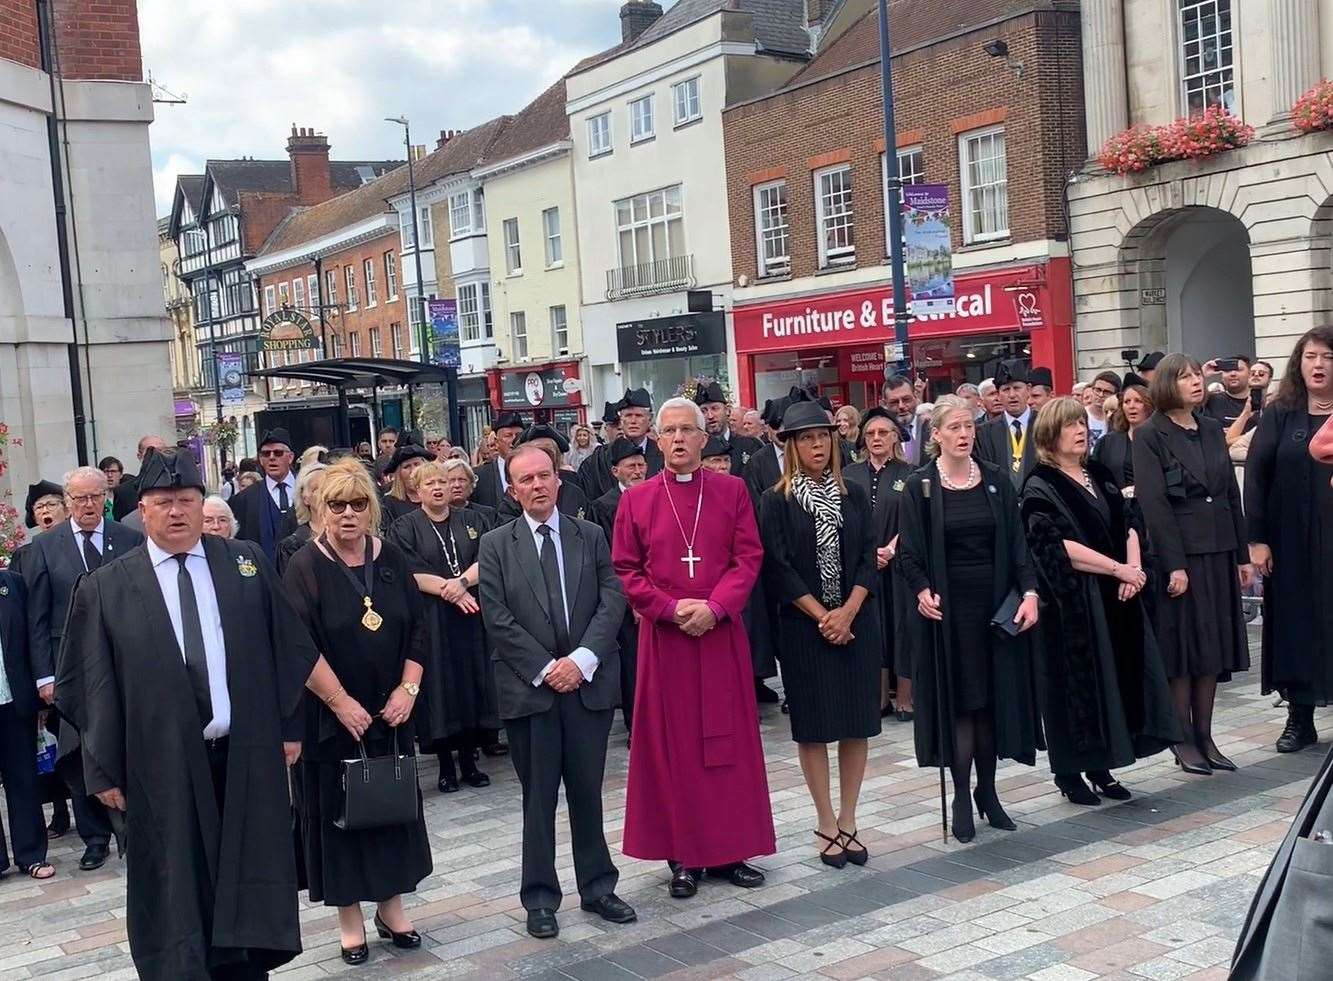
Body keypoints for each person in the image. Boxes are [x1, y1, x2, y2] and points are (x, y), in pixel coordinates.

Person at [56, 448, 318, 980]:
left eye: (186, 501)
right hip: (161, 768)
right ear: (140, 511)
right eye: (162, 502)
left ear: (202, 506)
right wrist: (102, 770)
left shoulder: (244, 563)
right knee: (178, 889)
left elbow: (288, 651)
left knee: (247, 882)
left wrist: (289, 729)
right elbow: (85, 683)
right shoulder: (107, 587)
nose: (176, 512)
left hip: (244, 756)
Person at [613, 397, 775, 899]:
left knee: (726, 744)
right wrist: (670, 609)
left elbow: (747, 557)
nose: (679, 439)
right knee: (673, 749)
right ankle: (681, 856)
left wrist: (716, 607)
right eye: (670, 431)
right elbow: (625, 569)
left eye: (688, 430)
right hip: (665, 643)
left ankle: (730, 849)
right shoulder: (636, 500)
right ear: (658, 441)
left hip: (719, 636)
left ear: (705, 439)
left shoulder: (731, 491)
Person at [477, 443, 634, 939]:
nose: (538, 486)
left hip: (586, 685)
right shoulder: (496, 544)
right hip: (532, 691)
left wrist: (582, 660)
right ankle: (540, 898)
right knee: (538, 799)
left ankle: (598, 887)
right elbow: (497, 618)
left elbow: (612, 598)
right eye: (526, 480)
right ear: (512, 490)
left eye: (544, 476)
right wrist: (547, 668)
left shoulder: (589, 534)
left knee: (588, 792)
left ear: (558, 480)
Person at [282, 459, 432, 965]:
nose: (348, 514)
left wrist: (407, 690)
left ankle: (391, 908)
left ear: (372, 508)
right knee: (337, 817)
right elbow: (297, 645)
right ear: (319, 510)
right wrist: (339, 702)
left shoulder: (390, 556)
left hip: (390, 714)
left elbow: (416, 629)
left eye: (358, 504)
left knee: (389, 809)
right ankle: (349, 920)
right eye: (337, 505)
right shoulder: (304, 565)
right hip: (331, 716)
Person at [1021, 398, 1181, 805]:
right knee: (1073, 689)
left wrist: (1134, 567)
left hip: (1117, 595)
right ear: (1048, 435)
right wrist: (1116, 570)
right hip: (1074, 601)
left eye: (1081, 423)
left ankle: (1103, 765)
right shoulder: (1041, 483)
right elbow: (1056, 544)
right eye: (1069, 426)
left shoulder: (1099, 471)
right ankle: (1070, 771)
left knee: (1114, 682)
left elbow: (1129, 518)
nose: (1080, 431)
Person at [896, 397, 1041, 843]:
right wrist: (921, 590)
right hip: (948, 611)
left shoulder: (996, 480)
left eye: (969, 427)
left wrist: (1031, 592)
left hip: (994, 607)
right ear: (935, 435)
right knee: (962, 704)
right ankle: (961, 793)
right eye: (954, 428)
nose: (963, 434)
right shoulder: (920, 486)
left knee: (991, 703)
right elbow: (909, 554)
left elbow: (1019, 544)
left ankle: (989, 792)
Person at [760, 401, 880, 868]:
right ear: (790, 445)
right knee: (813, 728)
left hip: (856, 624)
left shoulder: (851, 492)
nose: (816, 444)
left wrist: (847, 612)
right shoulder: (776, 499)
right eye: (806, 438)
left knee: (855, 725)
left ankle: (850, 819)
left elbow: (869, 556)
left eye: (823, 436)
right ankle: (825, 821)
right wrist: (822, 617)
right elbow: (778, 566)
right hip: (804, 629)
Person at [1133, 353, 1251, 775]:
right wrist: (1174, 564)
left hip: (1219, 550)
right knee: (1183, 650)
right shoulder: (1150, 434)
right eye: (1184, 378)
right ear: (1167, 384)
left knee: (1212, 650)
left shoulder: (1209, 429)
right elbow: (1154, 504)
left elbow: (1228, 495)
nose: (1195, 383)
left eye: (1197, 376)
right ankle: (1182, 738)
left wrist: (1241, 554)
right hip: (1181, 555)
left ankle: (1206, 734)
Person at [23, 466, 143, 869]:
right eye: (79, 499)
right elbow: (36, 618)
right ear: (67, 502)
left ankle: (137, 823)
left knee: (128, 741)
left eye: (95, 497)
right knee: (79, 749)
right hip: (69, 668)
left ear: (105, 499)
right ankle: (94, 838)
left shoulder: (129, 539)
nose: (88, 505)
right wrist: (45, 676)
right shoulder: (45, 548)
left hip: (126, 662)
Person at [1245, 326, 1333, 752]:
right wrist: (1257, 539)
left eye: (1328, 357)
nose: (1318, 365)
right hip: (1291, 541)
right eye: (1311, 356)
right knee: (1296, 623)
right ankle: (1300, 717)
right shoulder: (1282, 412)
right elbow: (1257, 476)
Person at [388, 461, 497, 793]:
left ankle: (469, 759)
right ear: (417, 490)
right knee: (439, 686)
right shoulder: (405, 527)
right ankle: (446, 765)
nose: (437, 487)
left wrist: (462, 583)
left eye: (442, 482)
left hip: (470, 614)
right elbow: (408, 570)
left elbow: (487, 558)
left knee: (469, 683)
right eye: (429, 483)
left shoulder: (474, 519)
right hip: (431, 617)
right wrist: (450, 591)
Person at [844, 407, 914, 721]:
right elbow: (844, 519)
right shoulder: (849, 475)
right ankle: (878, 697)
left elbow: (915, 519)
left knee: (901, 624)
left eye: (883, 433)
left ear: (895, 437)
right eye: (870, 433)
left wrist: (891, 549)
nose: (876, 438)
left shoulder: (909, 473)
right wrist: (868, 552)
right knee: (873, 626)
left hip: (900, 565)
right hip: (864, 565)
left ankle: (905, 697)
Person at [0, 569, 56, 880]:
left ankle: (31, 854)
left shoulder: (11, 584)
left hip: (14, 700)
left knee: (22, 780)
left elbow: (31, 640)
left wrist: (38, 697)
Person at [591, 439, 648, 733]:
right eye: (631, 466)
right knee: (632, 663)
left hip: (660, 594)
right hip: (626, 599)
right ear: (616, 471)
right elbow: (612, 559)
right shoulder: (603, 507)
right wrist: (634, 600)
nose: (638, 471)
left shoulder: (656, 496)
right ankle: (636, 725)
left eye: (641, 465)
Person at [579, 389, 663, 498]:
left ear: (650, 419)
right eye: (628, 415)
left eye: (638, 416)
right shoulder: (598, 460)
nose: (633, 421)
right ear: (621, 420)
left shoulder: (663, 455)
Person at [231, 429, 298, 562]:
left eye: (278, 453)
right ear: (261, 460)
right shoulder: (245, 499)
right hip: (264, 575)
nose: (272, 457)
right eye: (266, 454)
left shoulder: (309, 492)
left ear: (290, 457)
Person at [975, 360, 1037, 487]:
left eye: (1017, 388)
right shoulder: (985, 432)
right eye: (1006, 389)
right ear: (998, 394)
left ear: (1028, 389)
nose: (1012, 395)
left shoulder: (1045, 425)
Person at [1092, 381, 1153, 491]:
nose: (1131, 406)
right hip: (1121, 504)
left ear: (1149, 406)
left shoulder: (1162, 439)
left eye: (1138, 401)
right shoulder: (1107, 442)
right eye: (1126, 402)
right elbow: (1096, 477)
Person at [695, 381, 764, 475]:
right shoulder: (695, 449)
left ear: (727, 410)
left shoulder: (751, 445)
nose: (710, 415)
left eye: (715, 408)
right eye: (704, 411)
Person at [276, 462, 328, 576]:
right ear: (305, 498)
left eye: (329, 487)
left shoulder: (349, 534)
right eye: (316, 489)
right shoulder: (292, 545)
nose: (324, 493)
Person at [471, 412, 526, 509]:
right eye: (508, 435)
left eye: (518, 435)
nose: (514, 440)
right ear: (496, 442)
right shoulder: (479, 476)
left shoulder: (535, 471)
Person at [111, 435, 168, 519]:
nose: (157, 456)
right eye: (151, 452)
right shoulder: (124, 492)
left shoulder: (178, 487)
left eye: (160, 451)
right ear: (139, 456)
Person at [381, 444, 433, 526]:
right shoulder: (389, 503)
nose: (413, 470)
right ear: (399, 474)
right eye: (406, 467)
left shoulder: (437, 497)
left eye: (417, 464)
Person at [883, 374, 928, 466]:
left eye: (906, 399)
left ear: (915, 397)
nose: (901, 406)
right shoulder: (880, 435)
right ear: (884, 404)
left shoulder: (931, 429)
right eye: (894, 402)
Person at [1202, 355, 1255, 431]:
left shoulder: (1259, 401)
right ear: (1222, 376)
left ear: (1250, 373)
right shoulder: (1210, 400)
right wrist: (1202, 374)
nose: (1233, 374)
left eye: (1238, 370)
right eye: (1227, 370)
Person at [1085, 371, 1122, 445]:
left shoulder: (1118, 420)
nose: (1101, 395)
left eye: (1107, 392)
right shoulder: (1080, 414)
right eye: (1098, 390)